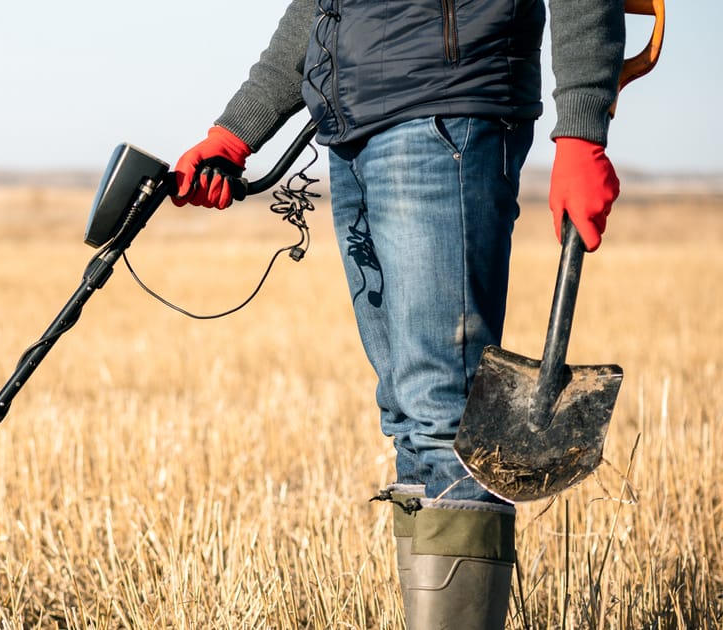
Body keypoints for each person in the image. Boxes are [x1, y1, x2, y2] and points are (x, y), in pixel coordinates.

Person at [170, 1, 624, 628]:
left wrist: (581, 125)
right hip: (354, 132)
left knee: (448, 424)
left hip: (445, 112)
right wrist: (235, 131)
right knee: (408, 418)